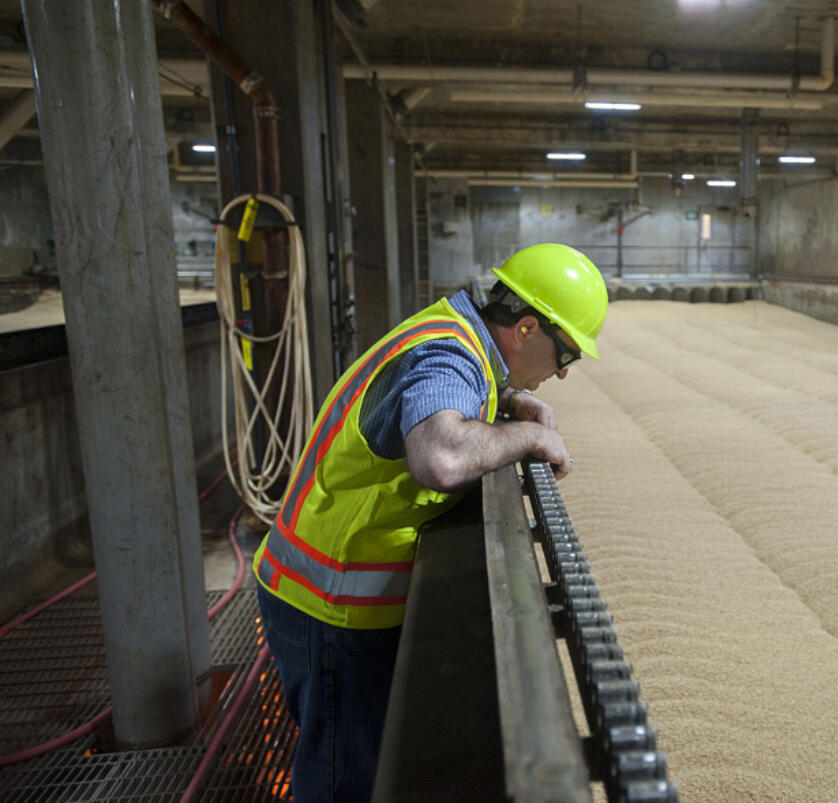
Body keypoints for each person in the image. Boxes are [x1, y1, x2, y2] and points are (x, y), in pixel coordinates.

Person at [253, 243, 608, 801]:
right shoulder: (447, 352)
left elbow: (461, 400)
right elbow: (440, 457)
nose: (563, 374)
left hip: (338, 594)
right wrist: (533, 436)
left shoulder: (459, 340)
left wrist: (511, 400)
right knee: (343, 778)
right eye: (566, 354)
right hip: (325, 600)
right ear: (527, 328)